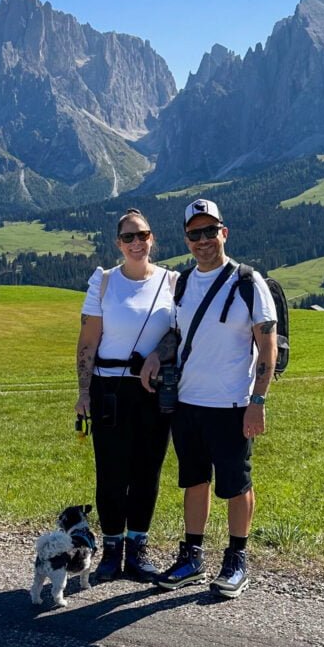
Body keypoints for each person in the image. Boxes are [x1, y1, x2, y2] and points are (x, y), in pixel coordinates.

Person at [141, 198, 278, 599]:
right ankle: (193, 555)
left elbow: (267, 348)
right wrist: (155, 355)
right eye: (194, 233)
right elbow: (177, 334)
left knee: (236, 484)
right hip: (187, 403)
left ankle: (236, 560)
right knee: (194, 480)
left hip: (233, 405)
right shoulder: (182, 283)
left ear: (224, 232)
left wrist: (258, 401)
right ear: (186, 238)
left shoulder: (249, 283)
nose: (202, 240)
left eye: (209, 231)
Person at [76, 208, 176, 582]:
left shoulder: (172, 283)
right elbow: (87, 342)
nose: (137, 242)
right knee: (112, 473)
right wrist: (84, 392)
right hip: (109, 390)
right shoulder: (103, 282)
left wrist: (157, 355)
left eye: (143, 235)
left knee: (148, 472)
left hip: (154, 389)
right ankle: (111, 551)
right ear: (118, 243)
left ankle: (137, 550)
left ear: (153, 238)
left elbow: (179, 334)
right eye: (129, 237)